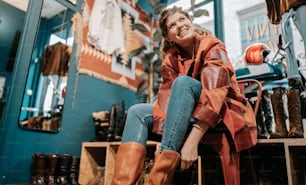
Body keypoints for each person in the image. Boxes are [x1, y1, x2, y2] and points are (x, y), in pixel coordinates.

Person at [111, 6, 257, 185]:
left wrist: (191, 142)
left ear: (190, 21)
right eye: (172, 25)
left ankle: (157, 180)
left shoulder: (212, 45)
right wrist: (168, 134)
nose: (179, 25)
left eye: (182, 19)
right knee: (137, 112)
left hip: (222, 112)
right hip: (186, 115)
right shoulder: (170, 59)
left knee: (183, 82)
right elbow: (166, 101)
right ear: (168, 37)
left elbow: (215, 94)